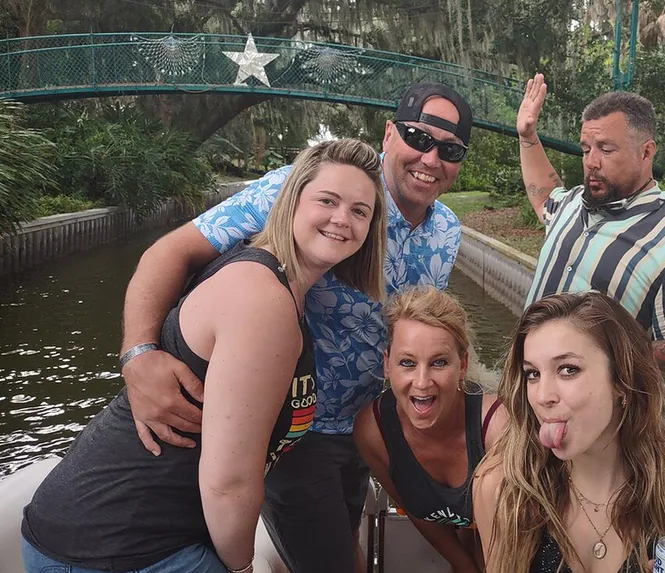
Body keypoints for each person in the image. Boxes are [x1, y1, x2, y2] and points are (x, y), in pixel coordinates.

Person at [117, 82, 473, 573]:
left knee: (348, 536)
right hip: (297, 431)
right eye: (418, 137)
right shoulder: (319, 189)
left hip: (372, 425)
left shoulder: (447, 231)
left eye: (450, 150)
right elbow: (170, 251)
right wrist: (139, 354)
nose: (431, 159)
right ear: (390, 133)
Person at [20, 139, 387, 573]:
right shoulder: (261, 299)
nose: (342, 219)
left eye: (360, 211)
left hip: (114, 532)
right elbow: (228, 483)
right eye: (328, 200)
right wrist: (241, 569)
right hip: (111, 546)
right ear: (291, 202)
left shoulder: (279, 287)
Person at [473, 292, 665, 573]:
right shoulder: (502, 489)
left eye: (568, 369)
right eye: (533, 373)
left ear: (622, 381)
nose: (543, 396)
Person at [515, 76, 665, 437]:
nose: (591, 161)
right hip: (527, 400)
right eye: (586, 147)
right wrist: (528, 137)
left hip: (599, 433)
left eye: (606, 149)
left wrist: (611, 361)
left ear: (646, 152)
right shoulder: (575, 203)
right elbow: (543, 195)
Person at [354, 286, 507, 572]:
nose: (422, 382)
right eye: (407, 363)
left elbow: (512, 541)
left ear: (462, 365)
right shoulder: (373, 432)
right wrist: (463, 566)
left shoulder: (497, 429)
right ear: (387, 365)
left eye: (438, 362)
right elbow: (417, 512)